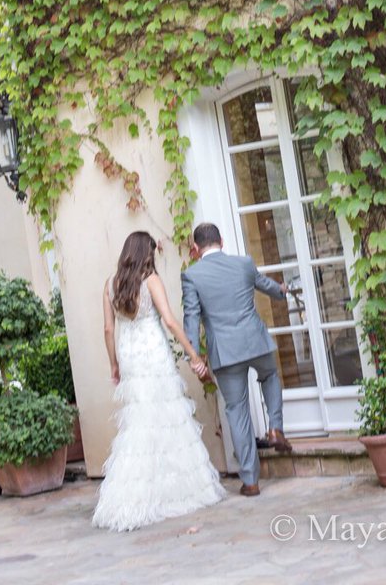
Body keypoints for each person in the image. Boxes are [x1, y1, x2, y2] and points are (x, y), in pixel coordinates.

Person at [92, 230, 226, 531]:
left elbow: (108, 330)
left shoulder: (110, 285)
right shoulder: (150, 279)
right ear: (146, 253)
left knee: (140, 419)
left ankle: (132, 494)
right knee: (166, 415)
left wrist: (114, 363)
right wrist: (193, 355)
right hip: (152, 351)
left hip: (129, 354)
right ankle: (173, 491)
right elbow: (169, 320)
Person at [181, 222, 292, 498]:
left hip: (226, 353)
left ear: (195, 249)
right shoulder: (243, 263)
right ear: (221, 241)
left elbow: (191, 318)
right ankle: (275, 427)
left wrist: (194, 356)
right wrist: (282, 290)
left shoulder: (192, 276)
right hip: (255, 341)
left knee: (237, 411)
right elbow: (269, 287)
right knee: (270, 376)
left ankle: (251, 481)